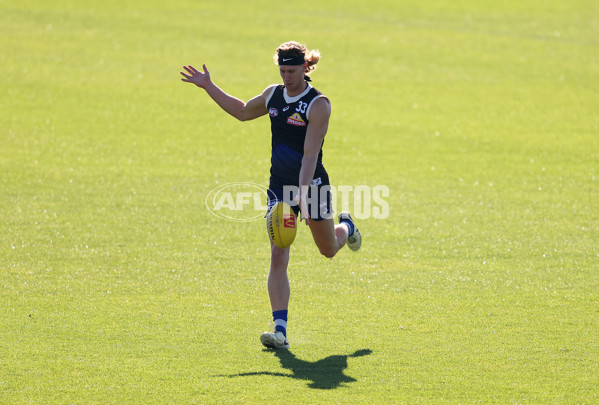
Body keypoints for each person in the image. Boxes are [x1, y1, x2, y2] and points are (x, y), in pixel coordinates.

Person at [180, 41, 361, 349]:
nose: (286, 77)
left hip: (312, 184)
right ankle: (280, 331)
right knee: (278, 253)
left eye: (291, 71)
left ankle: (347, 227)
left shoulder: (318, 104)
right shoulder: (273, 95)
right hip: (279, 187)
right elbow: (241, 112)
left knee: (328, 249)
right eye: (282, 71)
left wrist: (303, 195)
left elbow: (309, 155)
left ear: (305, 69)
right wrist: (208, 86)